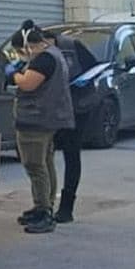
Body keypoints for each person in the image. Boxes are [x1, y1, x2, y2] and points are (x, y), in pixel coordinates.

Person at [8, 22, 77, 234]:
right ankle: (43, 205)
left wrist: (13, 75)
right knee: (45, 164)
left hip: (36, 120)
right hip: (48, 119)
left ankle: (44, 211)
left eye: (20, 51)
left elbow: (28, 84)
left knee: (35, 166)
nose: (20, 56)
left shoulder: (44, 60)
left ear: (28, 46)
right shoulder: (54, 53)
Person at [48, 27, 93, 223]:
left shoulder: (72, 47)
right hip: (53, 110)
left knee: (72, 154)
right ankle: (45, 204)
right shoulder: (40, 53)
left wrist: (81, 83)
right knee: (45, 155)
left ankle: (67, 207)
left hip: (77, 108)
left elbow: (93, 69)